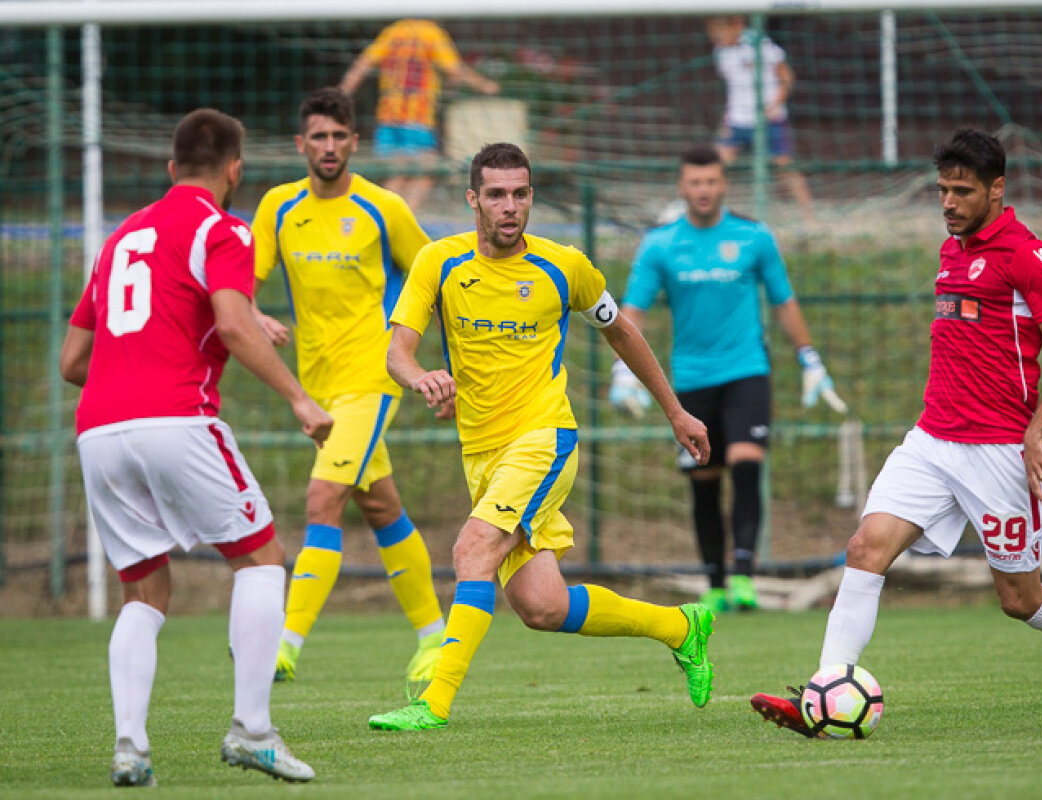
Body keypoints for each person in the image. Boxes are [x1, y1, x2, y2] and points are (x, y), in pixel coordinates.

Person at [750, 127, 1042, 734]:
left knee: (1021, 600)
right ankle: (823, 696)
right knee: (865, 549)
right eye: (942, 190)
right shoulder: (953, 250)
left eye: (962, 191)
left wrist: (1036, 431)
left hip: (999, 451)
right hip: (933, 441)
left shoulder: (1027, 256)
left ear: (997, 189)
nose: (948, 202)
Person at [366, 143, 715, 732]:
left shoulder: (564, 266)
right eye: (496, 195)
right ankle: (681, 627)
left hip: (543, 439)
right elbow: (397, 351)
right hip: (481, 452)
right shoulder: (438, 262)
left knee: (472, 551)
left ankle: (434, 703)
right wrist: (421, 376)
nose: (510, 206)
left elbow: (623, 333)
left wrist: (675, 412)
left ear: (531, 197)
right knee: (542, 606)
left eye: (520, 194)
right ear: (473, 199)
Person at [60, 108, 332, 786]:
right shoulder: (223, 228)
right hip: (176, 418)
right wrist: (300, 399)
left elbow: (72, 362)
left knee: (144, 589)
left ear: (170, 167)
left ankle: (130, 749)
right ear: (235, 169)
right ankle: (252, 732)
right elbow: (233, 325)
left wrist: (135, 374)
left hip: (98, 429)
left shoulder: (121, 237)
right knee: (263, 561)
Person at [250, 88, 445, 694]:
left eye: (339, 136)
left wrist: (438, 359)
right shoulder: (279, 207)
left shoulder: (383, 208)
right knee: (380, 506)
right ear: (300, 144)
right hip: (318, 385)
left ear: (355, 142)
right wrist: (252, 313)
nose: (329, 146)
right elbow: (240, 284)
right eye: (319, 136)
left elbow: (436, 276)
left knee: (322, 499)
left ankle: (283, 645)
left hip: (373, 378)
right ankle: (434, 636)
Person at [613, 144, 844, 615]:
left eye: (711, 181)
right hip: (690, 379)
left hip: (746, 371)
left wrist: (810, 359)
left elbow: (783, 301)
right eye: (695, 182)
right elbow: (632, 309)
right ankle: (715, 584)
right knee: (703, 480)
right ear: (682, 187)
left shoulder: (754, 237)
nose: (703, 189)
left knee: (746, 463)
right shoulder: (660, 244)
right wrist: (623, 371)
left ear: (724, 184)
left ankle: (742, 575)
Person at [340, 18, 500, 210]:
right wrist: (485, 85)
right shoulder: (431, 33)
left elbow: (363, 64)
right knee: (427, 170)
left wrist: (342, 92)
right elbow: (454, 69)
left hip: (387, 117)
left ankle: (385, 218)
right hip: (417, 117)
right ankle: (404, 216)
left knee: (397, 174)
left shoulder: (393, 32)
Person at [706, 15, 814, 222]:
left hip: (769, 120)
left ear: (737, 25)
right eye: (713, 33)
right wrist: (727, 118)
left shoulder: (760, 44)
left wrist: (774, 105)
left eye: (720, 31)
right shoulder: (720, 52)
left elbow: (786, 76)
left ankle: (808, 217)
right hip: (737, 120)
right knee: (714, 165)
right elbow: (733, 88)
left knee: (784, 166)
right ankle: (708, 216)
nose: (716, 37)